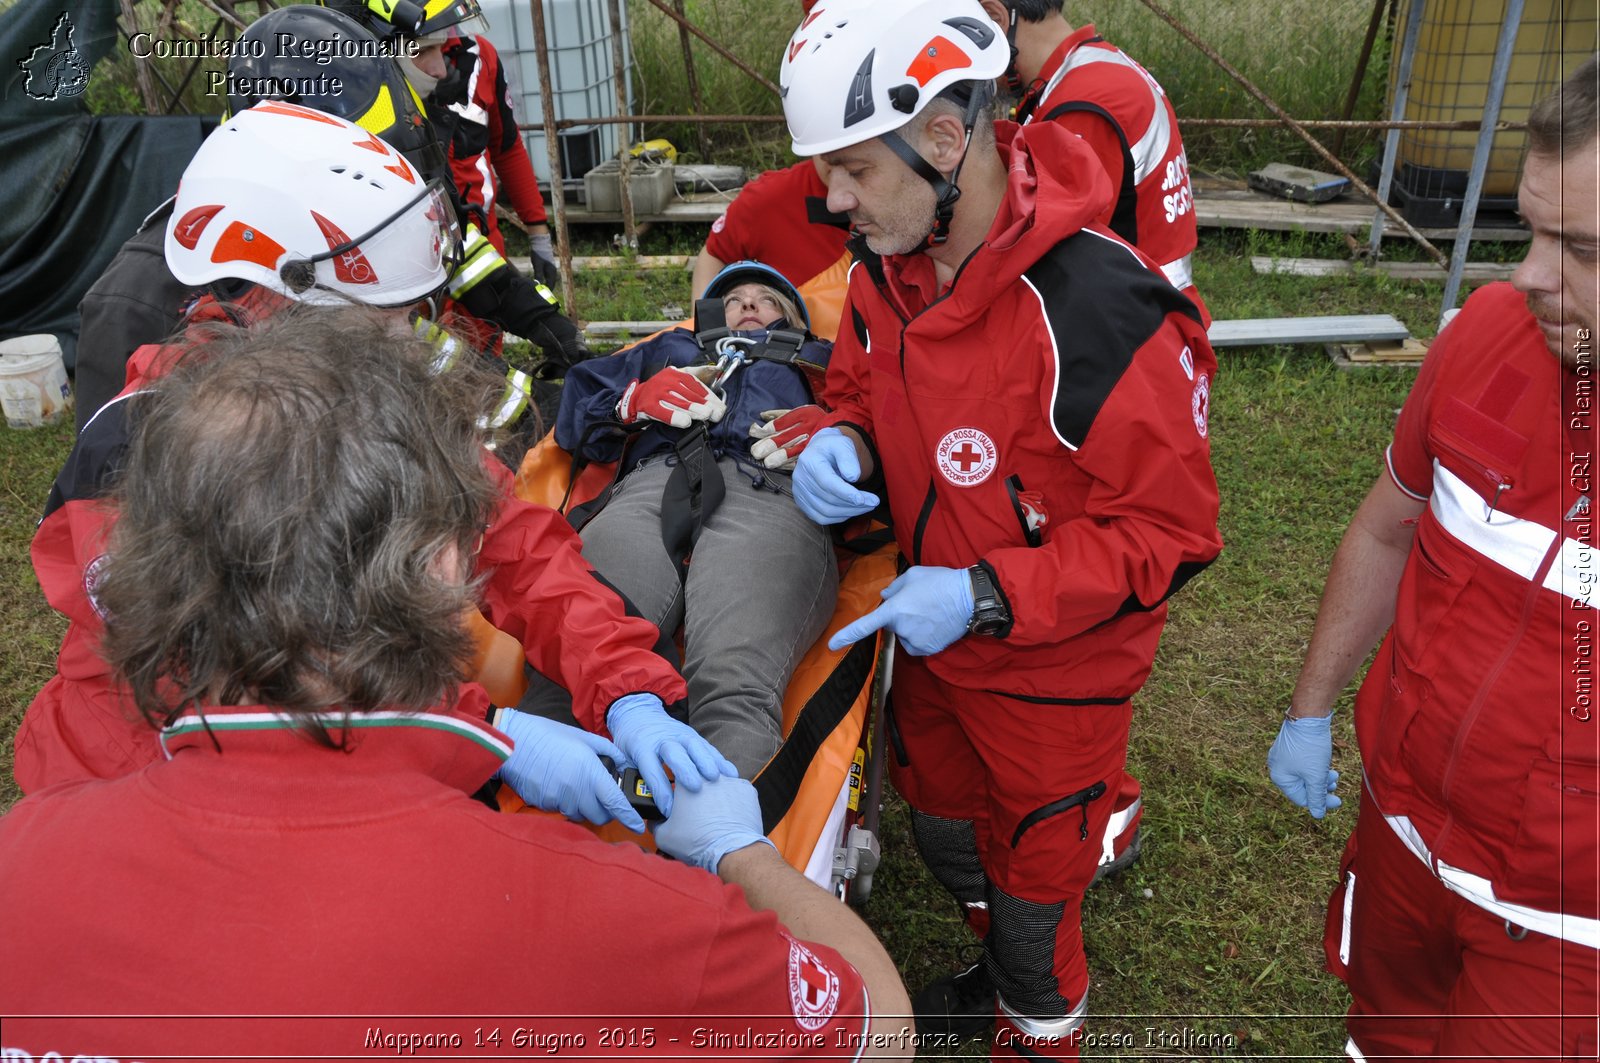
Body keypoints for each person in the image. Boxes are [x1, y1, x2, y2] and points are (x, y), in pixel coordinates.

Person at [0, 306, 914, 1060]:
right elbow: (880, 1029)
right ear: (441, 566)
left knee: (732, 664)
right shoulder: (587, 917)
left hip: (767, 489)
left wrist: (559, 710)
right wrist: (736, 859)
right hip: (657, 501)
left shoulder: (24, 863)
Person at [17, 102, 733, 834]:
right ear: (278, 298)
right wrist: (482, 729)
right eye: (383, 315)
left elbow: (516, 542)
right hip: (135, 781)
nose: (408, 336)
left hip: (330, 753)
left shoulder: (365, 390)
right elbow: (232, 667)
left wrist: (626, 687)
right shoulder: (143, 446)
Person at [780, 1, 1222, 1056]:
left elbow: (1172, 531)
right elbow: (858, 381)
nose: (835, 204)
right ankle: (1006, 965)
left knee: (1034, 909)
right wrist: (845, 438)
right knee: (938, 828)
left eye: (853, 170)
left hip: (1052, 678)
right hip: (939, 648)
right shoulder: (893, 260)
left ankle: (1039, 1024)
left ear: (943, 140)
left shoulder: (1098, 311)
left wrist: (986, 594)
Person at [1267, 56, 1599, 1060]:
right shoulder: (1486, 338)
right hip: (1403, 834)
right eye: (1528, 231)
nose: (1529, 275)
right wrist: (1311, 708)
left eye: (1578, 246)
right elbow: (1386, 526)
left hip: (1562, 928)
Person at [71, 6, 583, 433]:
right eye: (423, 50)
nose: (442, 67)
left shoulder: (332, 210)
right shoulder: (139, 305)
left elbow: (418, 309)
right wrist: (556, 411)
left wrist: (548, 342)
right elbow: (103, 516)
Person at [528, 261, 839, 779]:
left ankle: (726, 844)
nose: (747, 304)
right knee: (575, 662)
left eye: (766, 298)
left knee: (731, 683)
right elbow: (577, 407)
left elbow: (892, 424)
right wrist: (631, 403)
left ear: (794, 321)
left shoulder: (824, 361)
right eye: (734, 297)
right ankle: (530, 834)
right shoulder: (670, 349)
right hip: (653, 481)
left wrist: (842, 433)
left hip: (770, 491)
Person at [977, 0, 1207, 324]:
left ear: (995, 17)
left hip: (1132, 326)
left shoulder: (1080, 108)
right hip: (1156, 304)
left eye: (968, 35)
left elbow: (1046, 254)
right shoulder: (1097, 65)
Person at [325, 0, 561, 288]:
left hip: (482, 248)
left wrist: (538, 235)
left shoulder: (479, 57)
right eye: (422, 50)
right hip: (405, 263)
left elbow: (507, 148)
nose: (438, 69)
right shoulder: (351, 82)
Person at [692, 160, 853, 341]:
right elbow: (715, 254)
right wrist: (707, 336)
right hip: (803, 357)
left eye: (860, 170)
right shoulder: (770, 198)